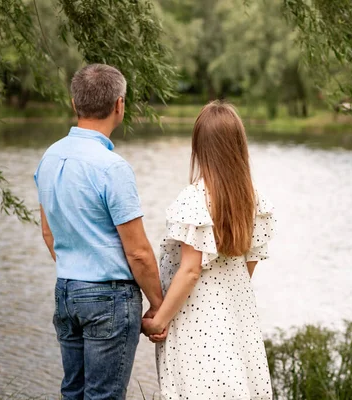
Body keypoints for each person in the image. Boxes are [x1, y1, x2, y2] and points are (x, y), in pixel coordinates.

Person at [34, 64, 163, 400]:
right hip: (109, 297)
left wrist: (76, 269)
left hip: (66, 291)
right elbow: (137, 252)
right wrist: (158, 304)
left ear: (74, 103)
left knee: (73, 393)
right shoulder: (112, 168)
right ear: (119, 105)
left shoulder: (49, 158)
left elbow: (48, 233)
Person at [142, 101, 275, 399]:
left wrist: (160, 320)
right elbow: (247, 267)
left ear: (200, 147)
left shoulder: (194, 199)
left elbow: (189, 270)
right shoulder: (255, 202)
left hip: (195, 317)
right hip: (237, 316)